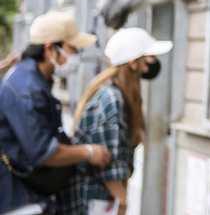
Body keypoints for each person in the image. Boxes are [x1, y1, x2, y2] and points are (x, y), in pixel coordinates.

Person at [0, 11, 112, 215]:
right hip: (19, 201)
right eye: (73, 48)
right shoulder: (27, 89)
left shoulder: (32, 79)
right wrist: (89, 152)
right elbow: (43, 153)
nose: (77, 55)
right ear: (50, 49)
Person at [58, 27, 172, 215]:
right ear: (134, 64)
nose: (151, 64)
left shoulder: (122, 97)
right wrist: (123, 202)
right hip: (90, 201)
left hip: (102, 201)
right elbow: (106, 162)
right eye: (148, 57)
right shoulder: (111, 99)